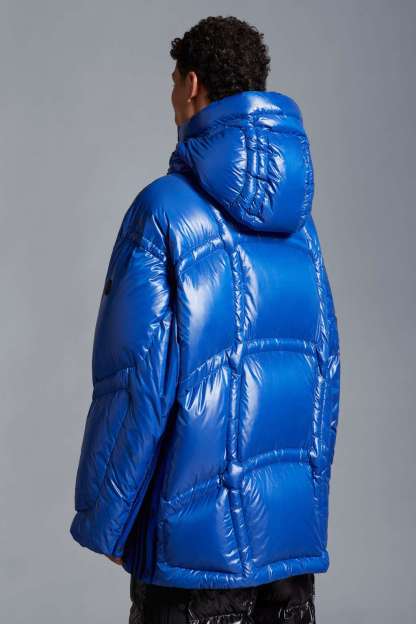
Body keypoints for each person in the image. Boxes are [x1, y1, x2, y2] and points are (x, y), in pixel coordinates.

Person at [69, 15, 341, 624]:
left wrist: (109, 520)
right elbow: (325, 379)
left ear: (192, 85)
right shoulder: (302, 227)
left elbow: (137, 383)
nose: (171, 94)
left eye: (173, 80)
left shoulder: (162, 211)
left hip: (191, 564)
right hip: (289, 562)